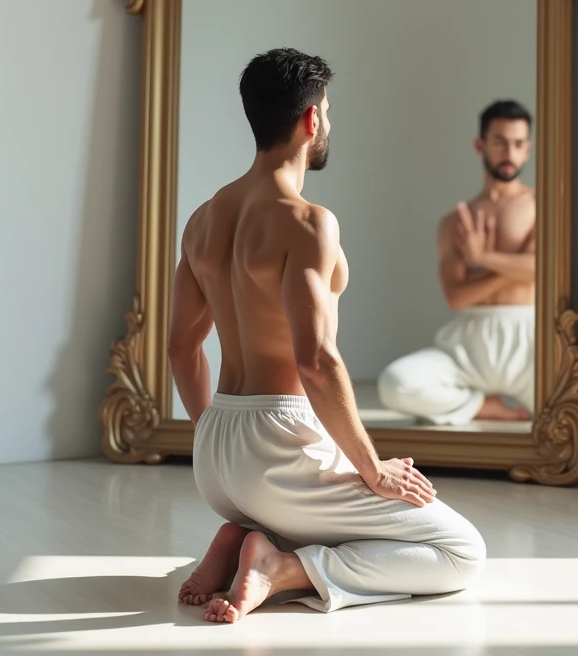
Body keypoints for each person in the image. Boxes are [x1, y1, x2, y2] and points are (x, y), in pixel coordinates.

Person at [169, 48, 485, 623]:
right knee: (460, 552)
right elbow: (316, 359)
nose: (328, 124)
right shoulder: (308, 221)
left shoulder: (202, 219)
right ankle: (280, 567)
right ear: (311, 118)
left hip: (215, 455)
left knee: (287, 494)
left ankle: (245, 533)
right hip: (277, 446)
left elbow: (180, 347)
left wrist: (216, 432)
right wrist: (371, 467)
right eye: (328, 113)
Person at [378, 100, 535, 425]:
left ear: (528, 149)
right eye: (500, 141)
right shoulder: (455, 222)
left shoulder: (541, 205)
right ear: (480, 145)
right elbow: (456, 297)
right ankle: (479, 405)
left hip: (530, 343)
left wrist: (482, 259)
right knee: (395, 383)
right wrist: (517, 267)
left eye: (518, 143)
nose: (509, 152)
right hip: (469, 344)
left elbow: (542, 269)